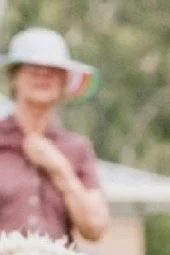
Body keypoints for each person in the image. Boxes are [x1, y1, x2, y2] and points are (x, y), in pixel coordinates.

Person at [0, 27, 108, 242]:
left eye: (53, 70)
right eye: (32, 68)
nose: (43, 75)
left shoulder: (77, 148)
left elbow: (95, 228)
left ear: (64, 82)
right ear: (14, 77)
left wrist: (61, 170)